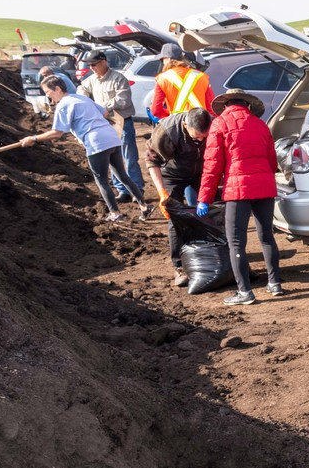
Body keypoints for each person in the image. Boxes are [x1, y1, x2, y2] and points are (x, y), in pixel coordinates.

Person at [20, 76, 150, 223]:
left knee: (101, 180)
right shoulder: (81, 98)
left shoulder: (63, 105)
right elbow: (104, 113)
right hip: (111, 137)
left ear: (57, 89)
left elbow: (57, 133)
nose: (47, 95)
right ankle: (144, 206)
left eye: (47, 91)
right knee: (122, 175)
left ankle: (115, 213)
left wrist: (34, 138)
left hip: (96, 143)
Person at [196, 89, 284, 305]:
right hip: (265, 187)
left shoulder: (220, 124)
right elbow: (272, 161)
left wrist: (203, 198)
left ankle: (245, 292)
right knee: (267, 237)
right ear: (247, 105)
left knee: (236, 242)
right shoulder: (260, 124)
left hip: (238, 189)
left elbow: (212, 166)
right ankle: (275, 284)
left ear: (226, 105)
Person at [146, 107, 213, 286]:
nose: (201, 140)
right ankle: (178, 267)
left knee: (214, 210)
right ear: (185, 125)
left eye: (204, 137)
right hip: (172, 173)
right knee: (175, 218)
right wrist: (162, 192)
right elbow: (152, 161)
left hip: (202, 172)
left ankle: (215, 253)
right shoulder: (166, 132)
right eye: (196, 136)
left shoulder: (213, 126)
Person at [77, 50, 144, 202]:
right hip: (106, 125)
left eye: (94, 64)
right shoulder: (91, 80)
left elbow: (124, 100)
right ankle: (122, 191)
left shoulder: (118, 78)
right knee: (113, 158)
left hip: (122, 121)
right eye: (89, 65)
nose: (92, 68)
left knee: (129, 157)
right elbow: (82, 89)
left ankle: (137, 189)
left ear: (103, 62)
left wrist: (102, 107)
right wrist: (83, 99)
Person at [150, 43, 214, 121]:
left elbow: (155, 110)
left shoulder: (162, 78)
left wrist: (170, 116)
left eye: (162, 59)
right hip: (201, 123)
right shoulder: (201, 76)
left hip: (177, 124)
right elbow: (211, 107)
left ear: (167, 59)